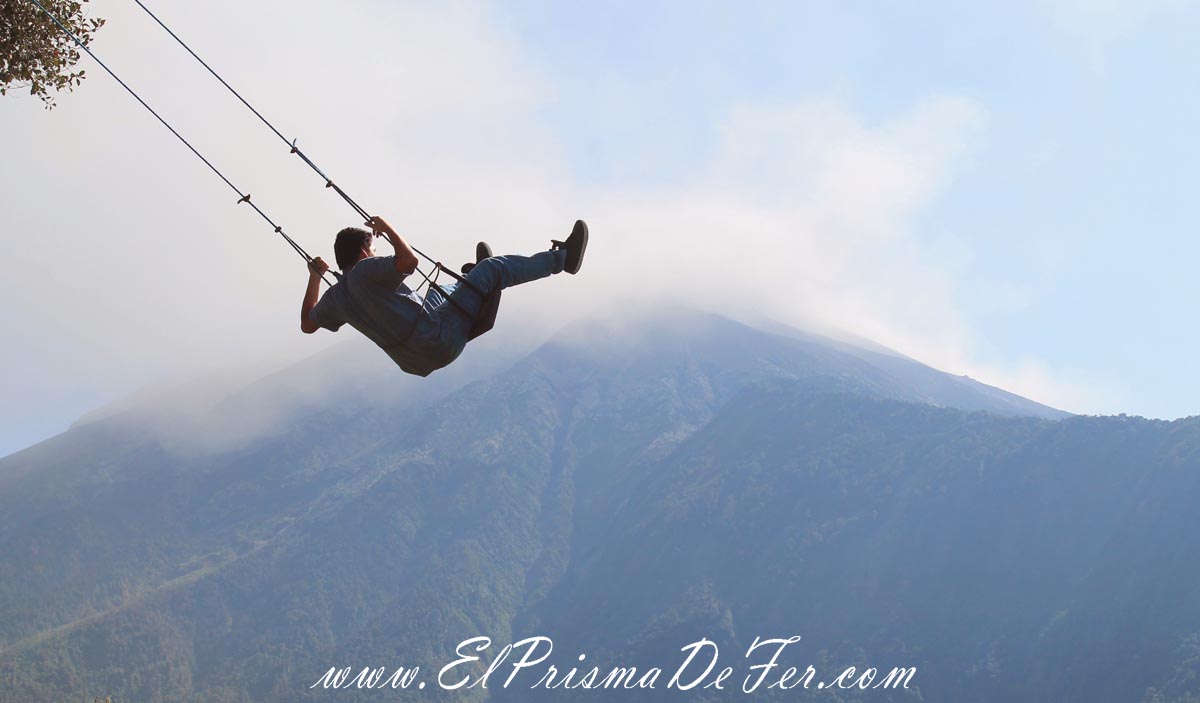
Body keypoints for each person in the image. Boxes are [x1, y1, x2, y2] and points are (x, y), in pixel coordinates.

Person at [300, 215, 588, 376]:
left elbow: (308, 325)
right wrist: (387, 229)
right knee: (492, 269)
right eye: (374, 249)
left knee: (433, 297)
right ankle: (563, 259)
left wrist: (314, 277)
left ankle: (471, 281)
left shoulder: (336, 297)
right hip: (439, 338)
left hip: (414, 361)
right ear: (364, 252)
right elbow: (409, 262)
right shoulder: (365, 269)